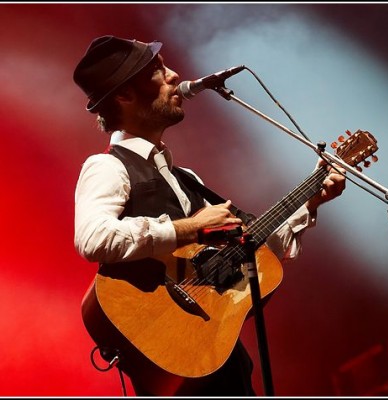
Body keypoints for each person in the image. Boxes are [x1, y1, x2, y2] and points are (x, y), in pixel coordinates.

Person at [73, 35, 346, 396]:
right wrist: (192, 228)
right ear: (124, 96)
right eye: (158, 71)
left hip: (217, 355)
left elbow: (251, 249)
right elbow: (93, 237)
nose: (174, 76)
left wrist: (310, 201)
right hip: (171, 358)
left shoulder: (187, 180)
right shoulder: (107, 167)